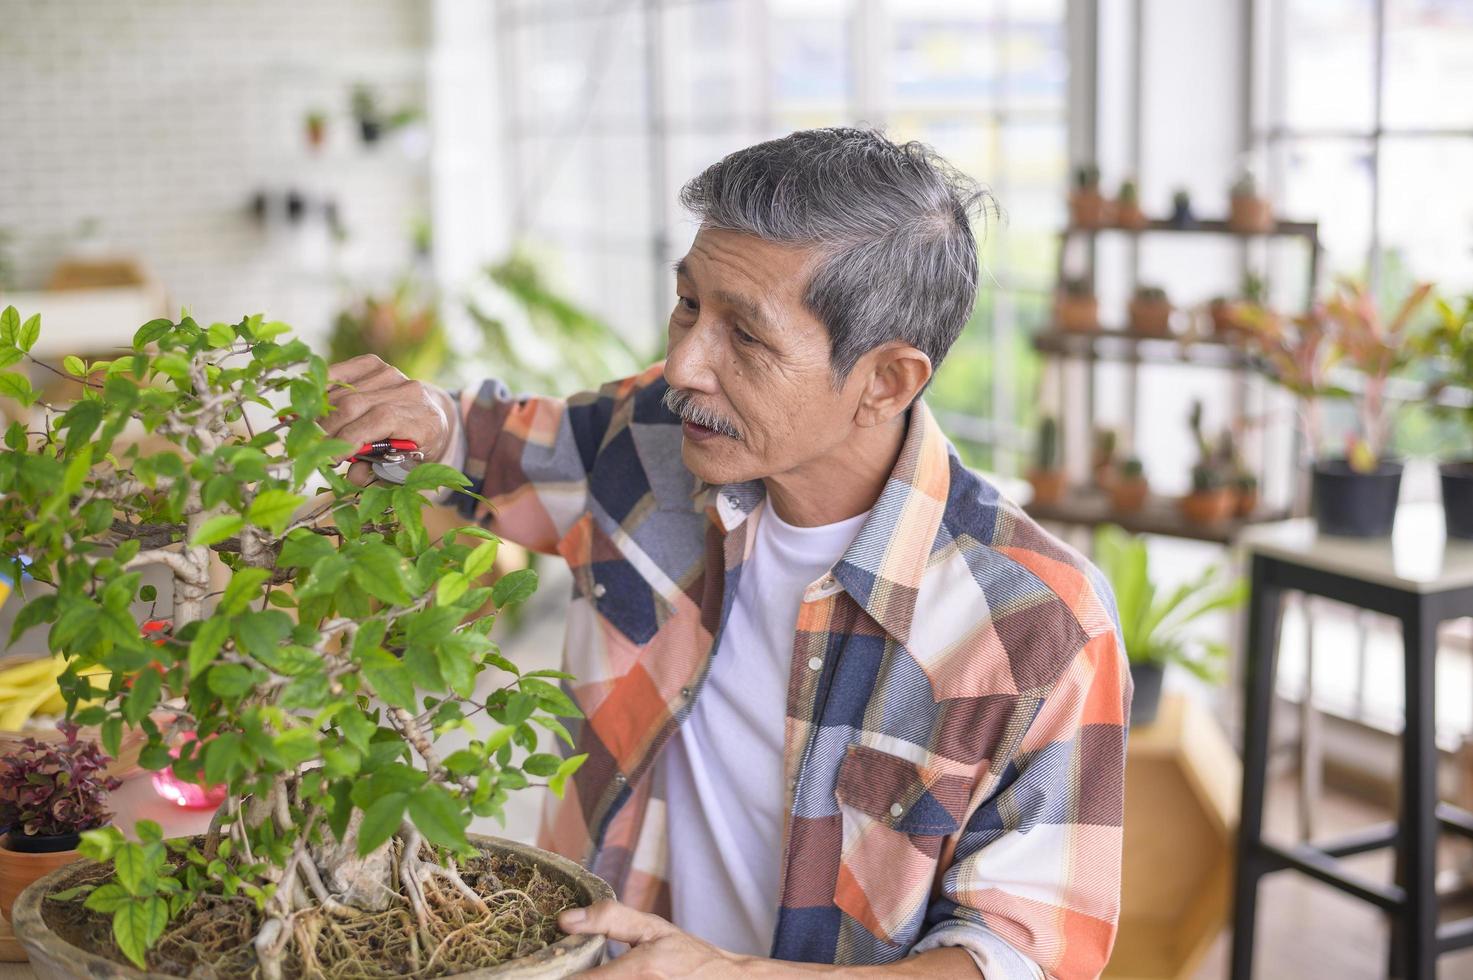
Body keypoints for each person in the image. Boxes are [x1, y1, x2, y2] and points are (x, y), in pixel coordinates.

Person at [323, 128, 1131, 979]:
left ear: (887, 381)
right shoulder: (646, 439)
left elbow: (1014, 957)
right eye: (686, 305)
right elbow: (477, 450)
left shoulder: (1038, 628)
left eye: (744, 336)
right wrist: (417, 425)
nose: (682, 364)